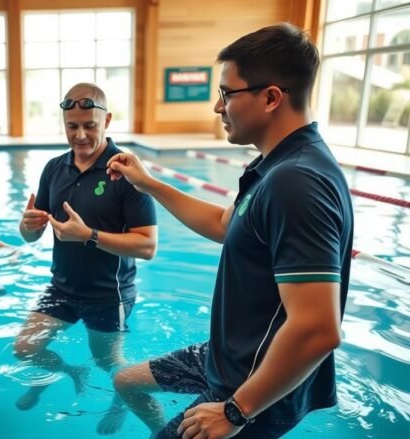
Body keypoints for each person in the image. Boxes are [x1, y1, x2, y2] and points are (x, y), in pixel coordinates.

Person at [107, 23, 354, 439]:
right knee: (125, 380)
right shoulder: (277, 166)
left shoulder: (296, 182)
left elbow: (318, 329)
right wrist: (148, 183)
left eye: (226, 93)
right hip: (226, 362)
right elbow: (226, 224)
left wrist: (235, 411)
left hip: (249, 390)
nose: (218, 108)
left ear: (271, 97)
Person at [16, 82, 158, 434]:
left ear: (106, 120)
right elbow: (33, 233)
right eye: (72, 126)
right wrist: (27, 226)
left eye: (89, 126)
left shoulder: (126, 172)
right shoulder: (54, 168)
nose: (80, 135)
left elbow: (147, 246)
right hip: (61, 286)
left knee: (111, 365)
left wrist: (90, 236)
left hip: (108, 294)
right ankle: (65, 373)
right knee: (24, 349)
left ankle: (146, 417)